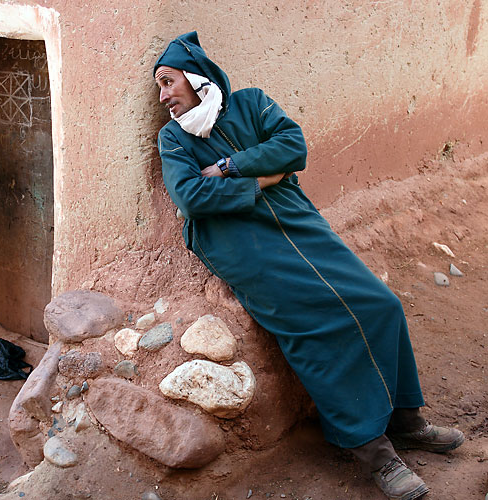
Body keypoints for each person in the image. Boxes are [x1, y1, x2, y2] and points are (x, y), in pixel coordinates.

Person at [154, 31, 463, 500]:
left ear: (196, 76)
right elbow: (192, 198)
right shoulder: (173, 139)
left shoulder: (251, 103)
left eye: (168, 81)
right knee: (312, 328)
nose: (163, 96)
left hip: (297, 221)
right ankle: (376, 455)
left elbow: (293, 146)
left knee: (381, 303)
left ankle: (406, 420)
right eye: (159, 87)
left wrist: (233, 167)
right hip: (239, 242)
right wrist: (262, 181)